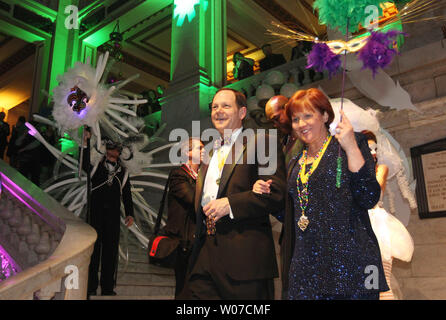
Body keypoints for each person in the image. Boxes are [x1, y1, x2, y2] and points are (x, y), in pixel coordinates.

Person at [253, 88, 388, 299]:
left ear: (325, 115)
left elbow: (368, 197)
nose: (301, 124)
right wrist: (266, 194)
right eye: (296, 119)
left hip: (350, 262)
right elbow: (294, 215)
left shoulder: (350, 144)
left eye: (308, 116)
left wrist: (351, 147)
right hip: (306, 265)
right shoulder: (295, 163)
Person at [184, 88, 287, 299]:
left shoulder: (262, 141)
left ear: (242, 113)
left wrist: (230, 204)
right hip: (205, 254)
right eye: (214, 107)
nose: (218, 111)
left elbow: (276, 193)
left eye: (225, 106)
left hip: (245, 258)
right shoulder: (209, 152)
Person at [362, 130, 414, 300]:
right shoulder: (350, 173)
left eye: (374, 148)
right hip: (358, 225)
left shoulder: (381, 169)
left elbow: (374, 195)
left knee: (380, 276)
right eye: (368, 148)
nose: (373, 152)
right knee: (364, 280)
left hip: (376, 224)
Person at [83, 130, 135, 297]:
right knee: (94, 252)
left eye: (116, 149)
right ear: (106, 149)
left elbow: (127, 193)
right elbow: (84, 165)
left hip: (113, 217)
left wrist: (130, 213)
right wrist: (85, 144)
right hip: (95, 215)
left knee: (110, 253)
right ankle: (90, 286)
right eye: (111, 148)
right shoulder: (97, 166)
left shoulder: (123, 171)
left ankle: (107, 288)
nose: (113, 152)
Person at [164, 137, 203, 298]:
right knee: (184, 288)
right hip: (183, 242)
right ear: (188, 153)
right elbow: (193, 199)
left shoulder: (200, 175)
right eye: (199, 148)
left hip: (197, 239)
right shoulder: (179, 175)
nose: (203, 151)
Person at [265, 95, 303, 168]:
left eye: (276, 118)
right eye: (272, 122)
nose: (275, 125)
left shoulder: (308, 134)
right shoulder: (284, 143)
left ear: (287, 108)